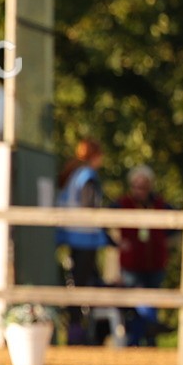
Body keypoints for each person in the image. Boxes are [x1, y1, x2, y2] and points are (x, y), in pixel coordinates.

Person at [55, 138, 110, 344]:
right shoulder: (87, 176)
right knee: (83, 285)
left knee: (78, 284)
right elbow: (90, 207)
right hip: (85, 237)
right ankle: (78, 333)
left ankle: (78, 331)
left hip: (70, 235)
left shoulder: (73, 174)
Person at [116, 164, 172, 346]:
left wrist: (163, 238)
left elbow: (177, 222)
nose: (140, 190)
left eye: (144, 185)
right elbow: (100, 218)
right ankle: (137, 339)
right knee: (137, 302)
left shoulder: (160, 204)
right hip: (132, 264)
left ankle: (150, 340)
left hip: (155, 263)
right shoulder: (123, 204)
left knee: (151, 301)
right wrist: (115, 242)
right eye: (137, 185)